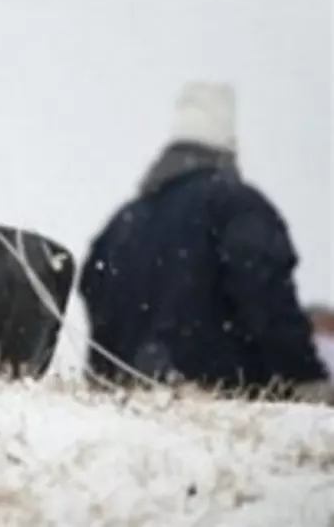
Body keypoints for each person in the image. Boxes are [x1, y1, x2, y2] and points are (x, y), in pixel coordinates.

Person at [78, 81, 332, 402]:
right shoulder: (235, 205)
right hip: (223, 404)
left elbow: (97, 305)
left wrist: (109, 384)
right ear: (229, 143)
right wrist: (304, 376)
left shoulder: (120, 226)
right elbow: (265, 293)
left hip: (128, 416)